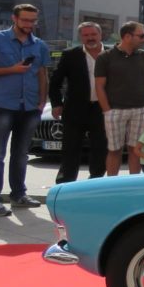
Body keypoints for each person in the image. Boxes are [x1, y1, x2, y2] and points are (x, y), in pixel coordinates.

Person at [0, 3, 50, 214]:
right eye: (25, 20)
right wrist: (12, 69)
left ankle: (19, 194)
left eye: (33, 21)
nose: (29, 24)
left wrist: (42, 100)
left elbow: (41, 73)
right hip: (1, 105)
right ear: (14, 19)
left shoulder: (39, 45)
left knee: (21, 154)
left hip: (29, 107)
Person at [50, 21, 108, 183]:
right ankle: (65, 185)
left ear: (100, 35)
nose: (90, 38)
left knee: (100, 148)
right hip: (75, 110)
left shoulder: (112, 54)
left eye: (93, 34)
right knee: (70, 149)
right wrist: (56, 103)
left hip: (102, 109)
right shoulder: (70, 55)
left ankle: (95, 182)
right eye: (86, 35)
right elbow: (55, 82)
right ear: (80, 37)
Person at [96, 21, 144, 176]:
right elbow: (99, 86)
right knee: (114, 150)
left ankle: (133, 186)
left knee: (136, 149)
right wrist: (107, 110)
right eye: (141, 35)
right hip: (114, 110)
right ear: (127, 36)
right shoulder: (105, 57)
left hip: (141, 110)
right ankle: (112, 185)